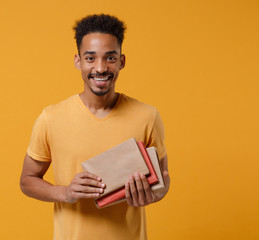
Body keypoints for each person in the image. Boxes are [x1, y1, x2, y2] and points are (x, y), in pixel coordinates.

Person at [20, 14, 170, 240]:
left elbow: (163, 180)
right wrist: (66, 192)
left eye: (110, 58)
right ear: (78, 61)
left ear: (122, 61)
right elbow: (27, 180)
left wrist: (151, 195)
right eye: (90, 58)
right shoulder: (50, 118)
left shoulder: (147, 116)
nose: (100, 68)